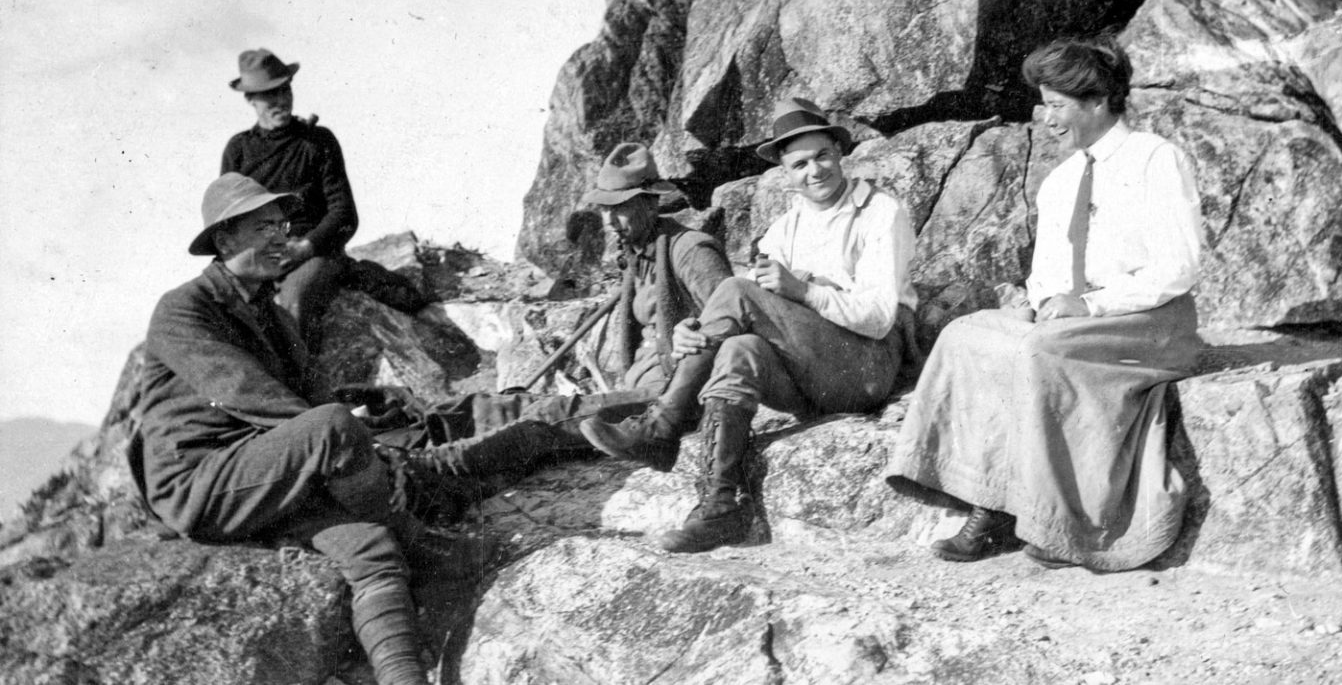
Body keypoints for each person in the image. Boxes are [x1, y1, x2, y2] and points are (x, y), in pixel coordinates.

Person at [129, 173, 579, 685]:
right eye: (263, 227)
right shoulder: (184, 308)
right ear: (225, 238)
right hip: (200, 484)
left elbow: (303, 400)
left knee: (369, 547)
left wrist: (365, 413)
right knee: (336, 433)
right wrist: (349, 435)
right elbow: (249, 394)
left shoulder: (267, 311)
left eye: (282, 224)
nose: (281, 236)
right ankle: (420, 544)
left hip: (260, 468)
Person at [885, 35, 1203, 571]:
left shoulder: (1157, 158)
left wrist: (1092, 305)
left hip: (1149, 321)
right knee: (969, 337)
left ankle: (1051, 523)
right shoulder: (1060, 181)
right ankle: (987, 495)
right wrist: (1036, 303)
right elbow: (1046, 274)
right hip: (1079, 319)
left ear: (1098, 101)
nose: (1046, 118)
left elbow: (1180, 266)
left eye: (1056, 104)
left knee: (1041, 353)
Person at [656, 98, 919, 554]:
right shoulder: (784, 229)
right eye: (799, 164)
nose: (814, 171)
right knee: (740, 351)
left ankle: (662, 424)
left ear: (840, 153)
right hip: (809, 376)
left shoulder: (881, 212)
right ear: (785, 173)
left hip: (866, 368)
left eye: (822, 156)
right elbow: (755, 318)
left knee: (739, 292)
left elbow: (879, 319)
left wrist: (805, 292)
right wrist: (695, 329)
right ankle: (721, 505)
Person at [221, 48, 421, 349]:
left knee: (293, 303)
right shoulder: (238, 150)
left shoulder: (317, 141)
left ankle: (297, 389)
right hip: (261, 257)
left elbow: (344, 215)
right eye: (268, 95)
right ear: (250, 100)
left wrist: (304, 247)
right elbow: (227, 222)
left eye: (284, 90)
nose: (280, 100)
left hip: (315, 252)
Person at [575, 143, 734, 471]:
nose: (609, 221)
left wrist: (691, 331)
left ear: (650, 204)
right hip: (636, 394)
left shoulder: (691, 250)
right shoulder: (639, 252)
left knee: (552, 416)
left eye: (618, 208)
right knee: (522, 409)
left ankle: (447, 460)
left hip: (669, 399)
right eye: (604, 209)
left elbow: (733, 317)